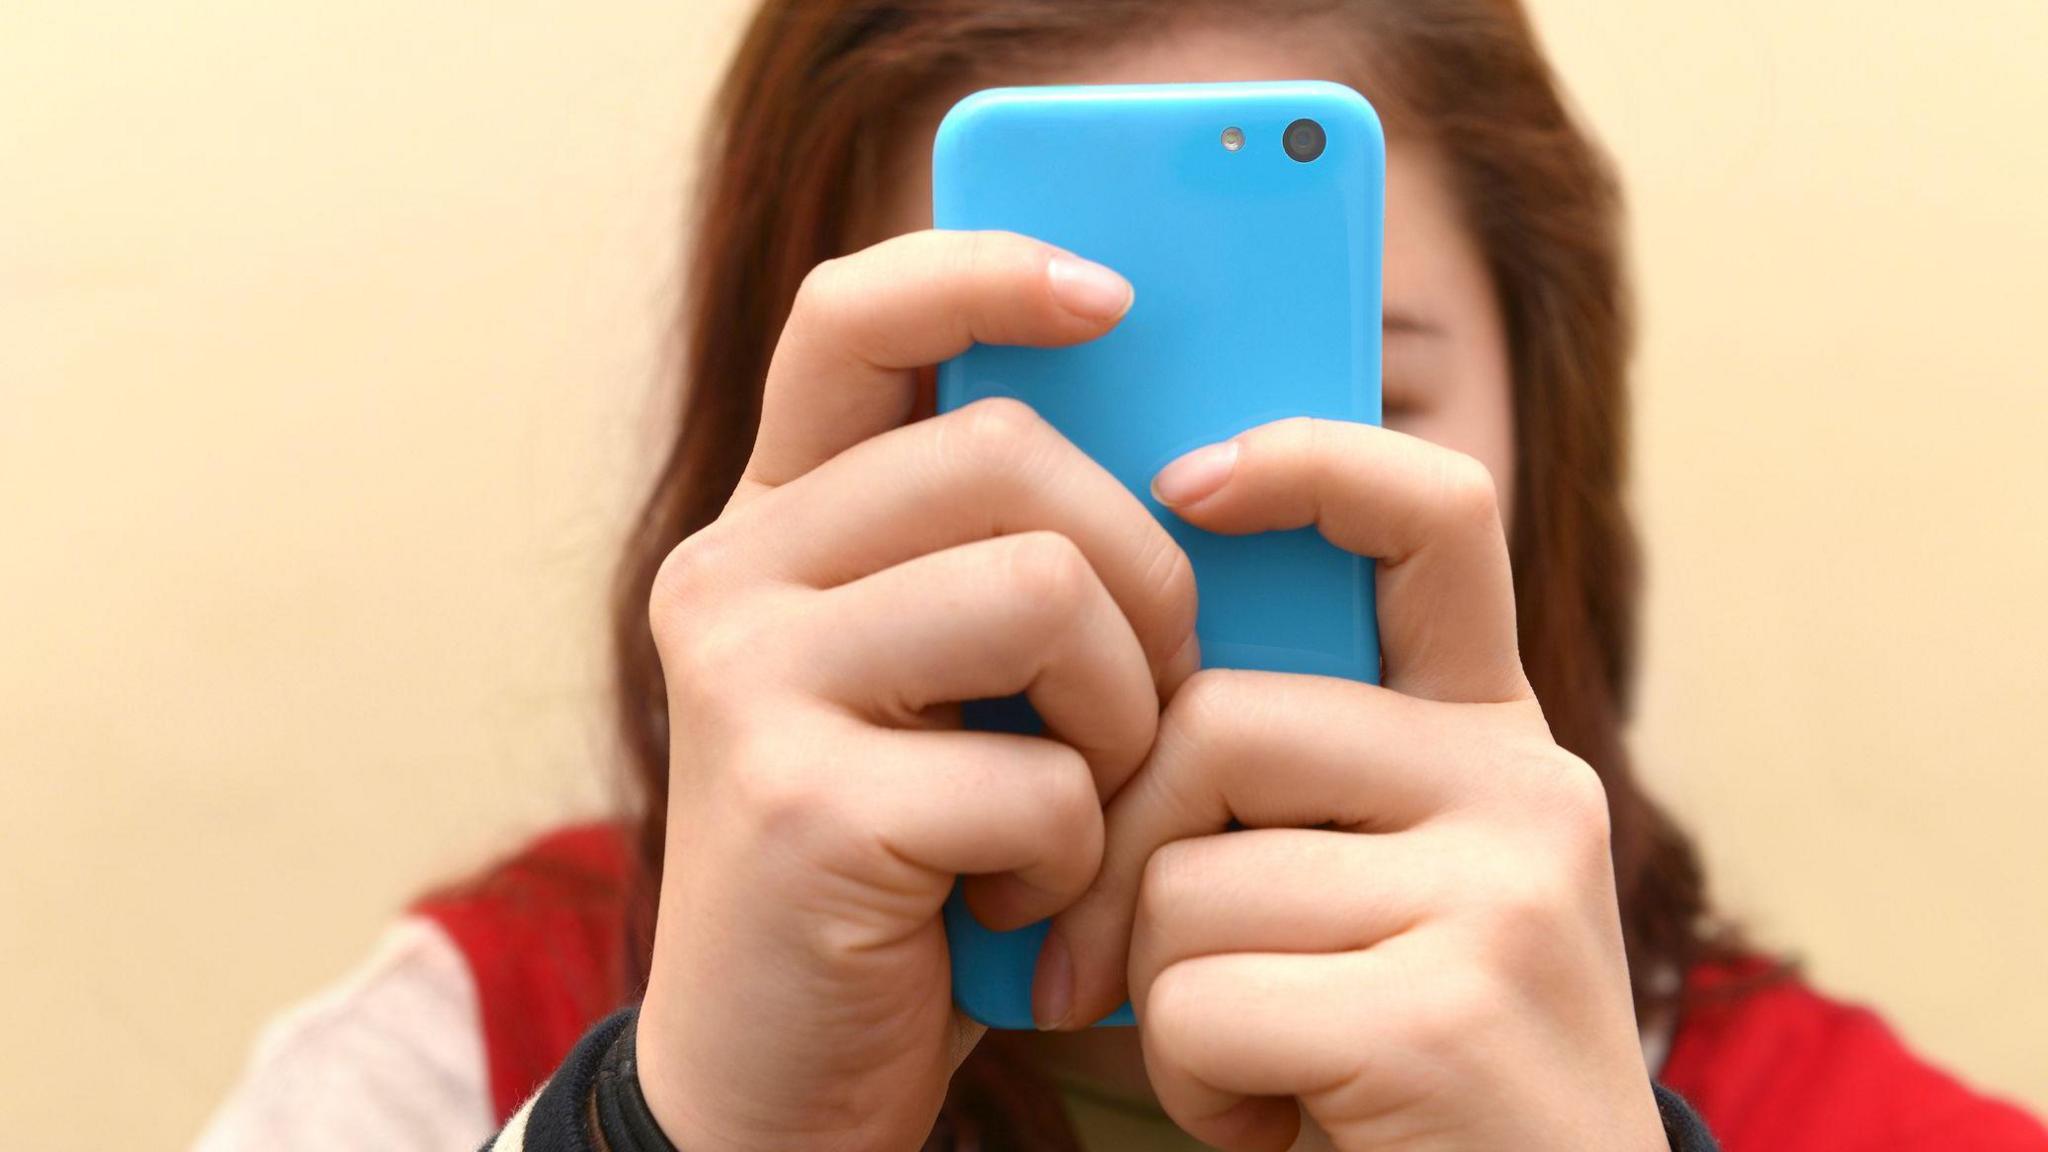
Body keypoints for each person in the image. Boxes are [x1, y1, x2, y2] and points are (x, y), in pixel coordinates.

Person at [195, 2, 2048, 1150]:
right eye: (979, 399)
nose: (1126, 544)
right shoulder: (454, 1051)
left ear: (1543, 446)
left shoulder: (1872, 1130)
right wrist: (686, 1136)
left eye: (1338, 390)